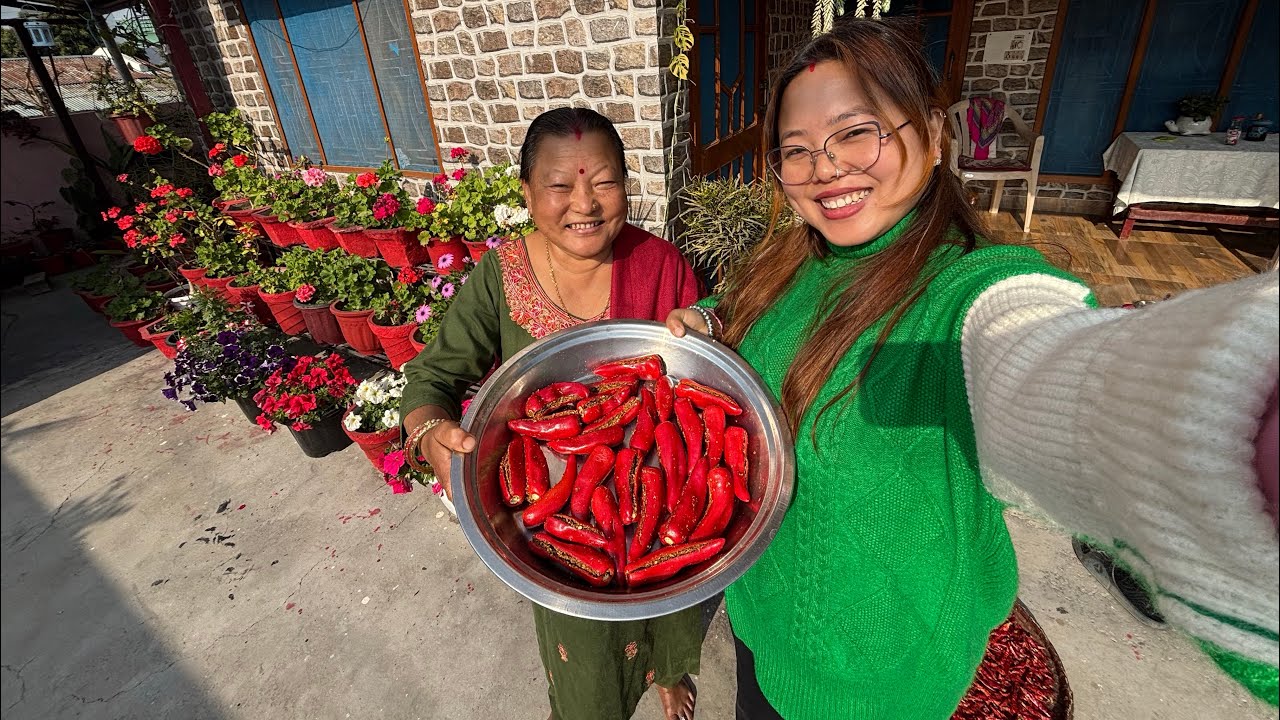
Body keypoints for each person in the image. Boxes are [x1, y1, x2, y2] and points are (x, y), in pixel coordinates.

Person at [666, 17, 1279, 719]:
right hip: (763, 614)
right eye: (796, 151)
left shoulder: (963, 295)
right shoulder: (797, 255)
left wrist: (1215, 405)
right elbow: (753, 307)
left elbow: (1045, 361)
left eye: (856, 132)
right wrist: (710, 319)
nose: (825, 168)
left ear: (932, 136)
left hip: (874, 676)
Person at [400, 107, 704, 720]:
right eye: (560, 185)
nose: (585, 204)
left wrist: (709, 325)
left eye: (606, 182)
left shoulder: (661, 263)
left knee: (671, 591)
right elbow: (433, 376)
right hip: (557, 497)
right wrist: (430, 433)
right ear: (527, 193)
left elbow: (698, 369)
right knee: (584, 638)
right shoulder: (501, 277)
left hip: (656, 477)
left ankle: (670, 672)